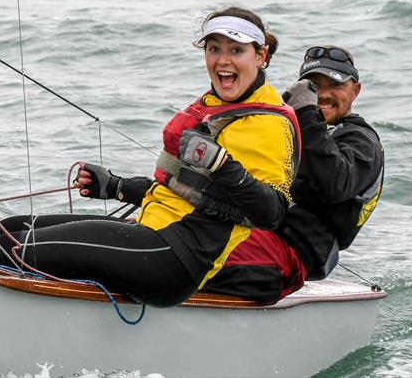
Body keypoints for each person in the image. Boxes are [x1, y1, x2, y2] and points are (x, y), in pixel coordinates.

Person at [0, 6, 299, 307]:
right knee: (8, 229)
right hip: (154, 228)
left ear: (262, 56)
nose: (222, 61)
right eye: (214, 49)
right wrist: (115, 186)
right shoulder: (218, 105)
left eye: (236, 50)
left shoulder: (267, 123)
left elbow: (270, 212)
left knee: (6, 249)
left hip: (178, 256)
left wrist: (222, 165)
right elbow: (184, 189)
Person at [77, 45, 384, 303]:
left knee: (143, 254)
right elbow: (211, 193)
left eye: (336, 86)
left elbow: (334, 184)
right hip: (237, 231)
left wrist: (304, 115)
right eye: (315, 87)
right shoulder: (290, 132)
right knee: (128, 234)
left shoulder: (361, 141)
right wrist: (117, 186)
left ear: (355, 90)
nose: (325, 95)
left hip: (286, 256)